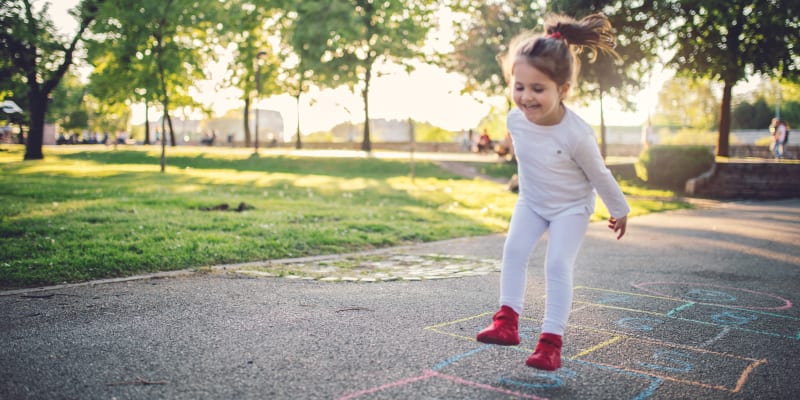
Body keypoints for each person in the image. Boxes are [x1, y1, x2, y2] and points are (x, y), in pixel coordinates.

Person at [475, 13, 630, 371]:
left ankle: (550, 343)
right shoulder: (515, 120)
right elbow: (531, 159)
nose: (526, 97)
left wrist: (619, 208)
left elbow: (599, 174)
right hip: (532, 202)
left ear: (563, 90)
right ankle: (506, 324)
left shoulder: (576, 133)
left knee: (557, 264)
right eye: (519, 86)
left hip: (571, 208)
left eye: (537, 89)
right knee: (513, 250)